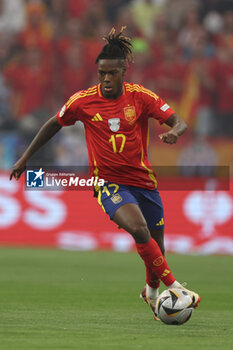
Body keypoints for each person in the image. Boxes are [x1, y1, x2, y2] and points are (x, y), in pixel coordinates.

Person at [10, 27, 201, 320]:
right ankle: (176, 288)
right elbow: (53, 123)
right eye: (102, 74)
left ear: (123, 70)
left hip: (144, 183)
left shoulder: (141, 97)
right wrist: (25, 158)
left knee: (156, 249)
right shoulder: (83, 101)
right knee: (139, 230)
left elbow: (180, 122)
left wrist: (174, 132)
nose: (106, 79)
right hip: (107, 182)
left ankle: (150, 292)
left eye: (112, 73)